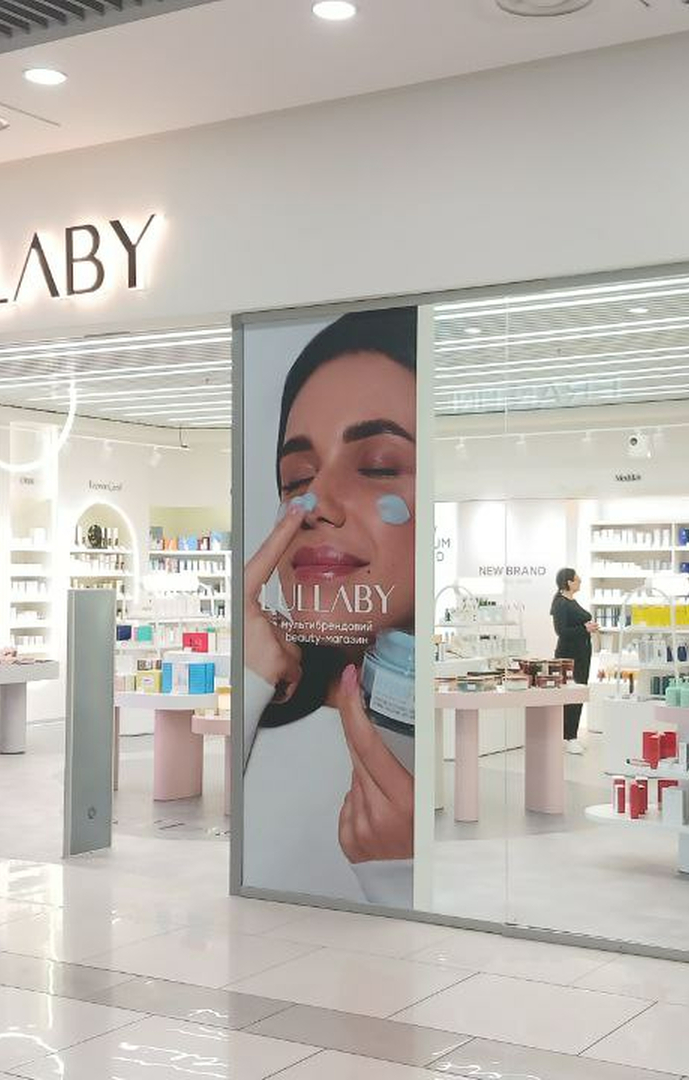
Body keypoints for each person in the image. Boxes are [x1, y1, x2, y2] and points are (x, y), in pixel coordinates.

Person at [241, 308, 418, 906]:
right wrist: (248, 681)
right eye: (296, 479)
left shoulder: (449, 741)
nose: (314, 503)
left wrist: (401, 874)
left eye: (377, 467)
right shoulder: (259, 723)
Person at [550, 567, 595, 754]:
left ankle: (571, 735)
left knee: (578, 695)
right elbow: (561, 631)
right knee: (571, 696)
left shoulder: (571, 601)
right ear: (569, 582)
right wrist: (585, 629)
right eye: (577, 579)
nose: (580, 581)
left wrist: (587, 628)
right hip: (569, 656)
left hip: (581, 654)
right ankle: (569, 737)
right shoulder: (560, 603)